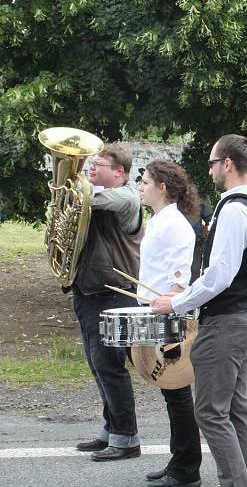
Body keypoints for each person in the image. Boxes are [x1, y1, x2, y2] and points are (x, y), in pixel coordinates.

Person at [151, 135, 247, 487]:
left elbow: (219, 275)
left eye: (213, 163)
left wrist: (177, 302)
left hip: (228, 321)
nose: (211, 170)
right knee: (235, 411)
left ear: (227, 164)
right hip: (243, 316)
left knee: (211, 414)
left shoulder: (234, 208)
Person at [72, 143, 144, 462]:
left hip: (116, 294)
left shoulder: (126, 197)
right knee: (97, 365)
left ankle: (127, 437)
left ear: (119, 172)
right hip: (89, 291)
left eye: (99, 164)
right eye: (91, 163)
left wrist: (68, 185)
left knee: (110, 367)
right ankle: (111, 429)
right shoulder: (94, 195)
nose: (91, 167)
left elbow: (89, 197)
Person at [137, 159, 202, 487]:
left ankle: (188, 468)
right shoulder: (159, 220)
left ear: (162, 187)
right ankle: (179, 459)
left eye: (146, 181)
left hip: (168, 315)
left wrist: (170, 310)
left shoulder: (174, 223)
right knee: (169, 391)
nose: (141, 186)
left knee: (177, 392)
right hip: (156, 313)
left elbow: (180, 277)